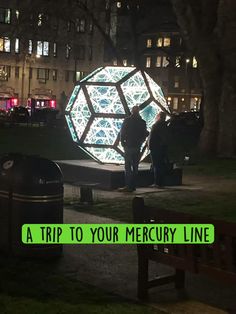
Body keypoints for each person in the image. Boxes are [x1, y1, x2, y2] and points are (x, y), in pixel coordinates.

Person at [119, 106, 149, 192]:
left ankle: (128, 186)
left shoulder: (127, 120)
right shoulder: (142, 122)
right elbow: (145, 134)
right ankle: (133, 186)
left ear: (132, 111)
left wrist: (123, 143)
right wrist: (141, 141)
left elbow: (122, 132)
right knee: (135, 167)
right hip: (137, 146)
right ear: (139, 111)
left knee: (128, 167)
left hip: (129, 146)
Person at [149, 111, 169, 188]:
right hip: (162, 148)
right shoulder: (165, 125)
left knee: (156, 165)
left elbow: (152, 137)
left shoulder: (157, 125)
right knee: (161, 165)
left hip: (156, 148)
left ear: (159, 117)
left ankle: (157, 183)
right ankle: (161, 182)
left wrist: (150, 146)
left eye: (157, 116)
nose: (155, 117)